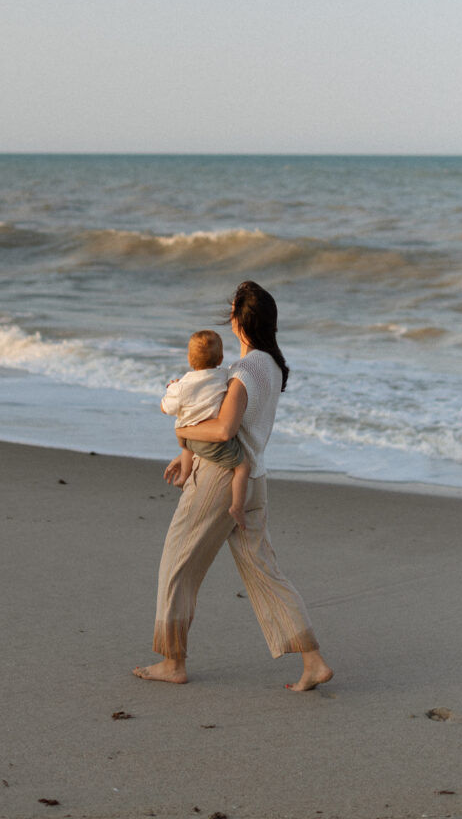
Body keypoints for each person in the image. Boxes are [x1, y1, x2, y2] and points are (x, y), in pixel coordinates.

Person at [133, 280, 334, 691]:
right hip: (253, 479)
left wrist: (184, 430)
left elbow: (223, 429)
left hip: (220, 479)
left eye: (231, 312)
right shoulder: (272, 366)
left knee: (177, 562)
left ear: (239, 321)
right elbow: (240, 428)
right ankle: (313, 662)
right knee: (265, 572)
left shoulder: (243, 371)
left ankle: (173, 662)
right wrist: (187, 448)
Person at [160, 328, 251, 529]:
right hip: (212, 439)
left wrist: (171, 389)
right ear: (220, 358)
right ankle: (237, 506)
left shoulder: (181, 386)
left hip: (188, 438)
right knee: (243, 467)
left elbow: (167, 408)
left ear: (190, 359)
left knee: (187, 446)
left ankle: (184, 476)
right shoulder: (224, 376)